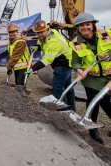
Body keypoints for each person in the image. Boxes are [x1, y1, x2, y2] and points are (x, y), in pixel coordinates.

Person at [69, 12, 111, 144]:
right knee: (96, 102)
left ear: (93, 25)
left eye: (87, 24)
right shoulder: (75, 42)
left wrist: (109, 54)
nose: (85, 28)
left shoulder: (106, 34)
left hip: (108, 75)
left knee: (105, 101)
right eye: (81, 26)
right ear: (78, 28)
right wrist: (78, 69)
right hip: (91, 79)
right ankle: (93, 131)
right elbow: (75, 61)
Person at [26, 20, 76, 111]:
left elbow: (47, 60)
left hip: (62, 65)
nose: (39, 35)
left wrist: (33, 69)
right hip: (66, 64)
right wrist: (37, 47)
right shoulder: (50, 33)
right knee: (68, 88)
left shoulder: (54, 41)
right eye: (37, 33)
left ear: (47, 29)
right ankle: (71, 110)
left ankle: (64, 111)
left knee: (57, 87)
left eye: (41, 32)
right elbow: (43, 43)